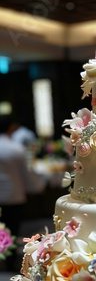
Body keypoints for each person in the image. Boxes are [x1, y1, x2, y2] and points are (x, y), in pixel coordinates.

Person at [0, 114, 45, 271]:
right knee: (12, 231)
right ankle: (10, 263)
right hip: (13, 196)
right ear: (11, 127)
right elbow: (27, 174)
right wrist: (37, 187)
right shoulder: (16, 148)